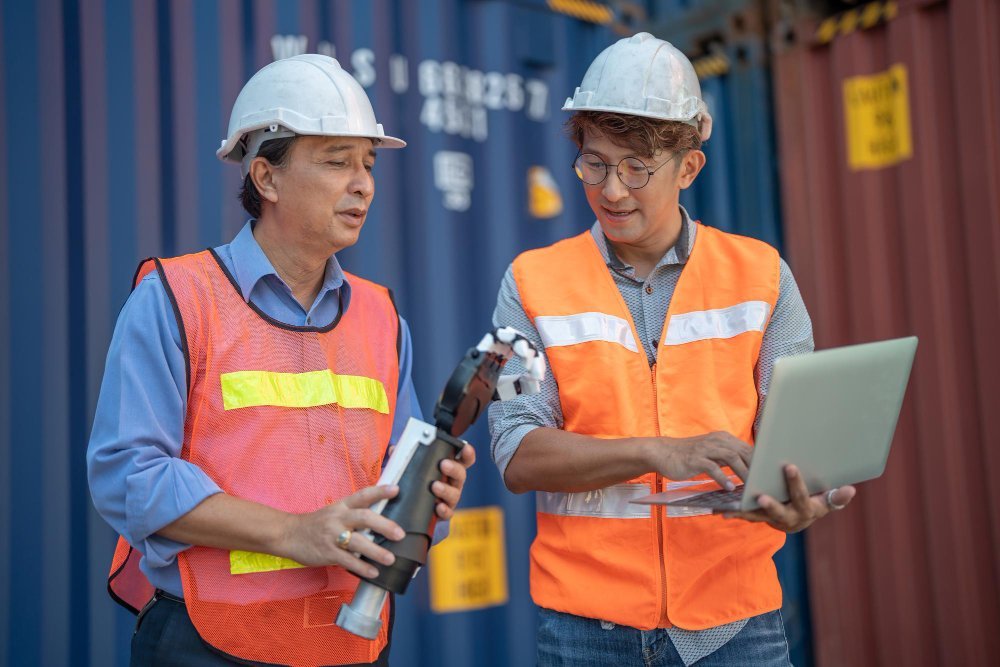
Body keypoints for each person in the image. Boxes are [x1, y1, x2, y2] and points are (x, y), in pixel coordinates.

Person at [87, 54, 474, 667]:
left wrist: (427, 501)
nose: (363, 183)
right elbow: (128, 475)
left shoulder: (382, 318)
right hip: (206, 643)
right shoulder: (176, 298)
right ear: (266, 178)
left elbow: (390, 489)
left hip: (350, 640)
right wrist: (293, 533)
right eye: (336, 161)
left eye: (368, 164)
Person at [488, 33, 855, 666]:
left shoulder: (761, 275)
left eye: (637, 167)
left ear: (689, 167)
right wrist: (662, 452)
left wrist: (805, 499)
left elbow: (793, 443)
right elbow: (517, 453)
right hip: (585, 633)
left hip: (737, 626)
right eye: (594, 162)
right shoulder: (532, 282)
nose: (612, 190)